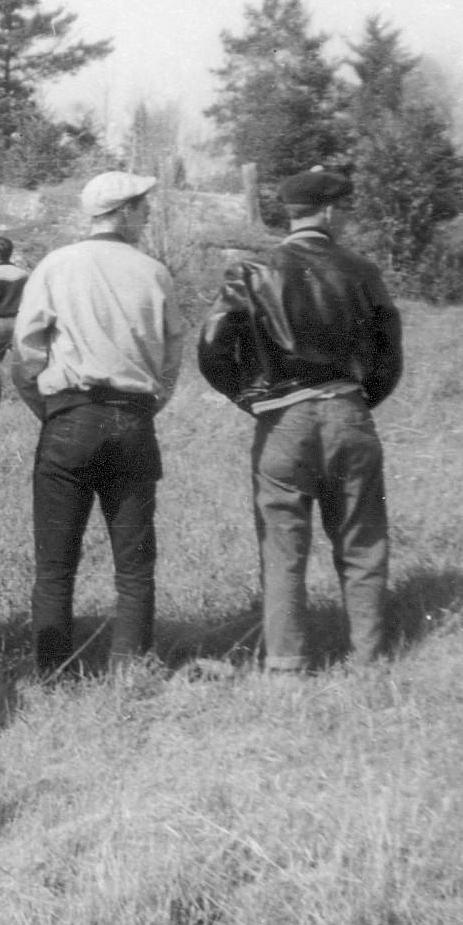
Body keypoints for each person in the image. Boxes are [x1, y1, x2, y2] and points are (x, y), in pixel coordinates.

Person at [198, 167, 403, 672]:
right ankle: (369, 658)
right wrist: (358, 401)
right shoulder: (363, 272)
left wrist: (251, 397)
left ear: (291, 213)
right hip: (348, 412)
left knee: (282, 545)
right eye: (344, 209)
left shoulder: (252, 270)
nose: (346, 217)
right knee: (362, 540)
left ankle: (287, 665)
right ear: (328, 212)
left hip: (282, 423)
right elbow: (389, 356)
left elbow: (212, 348)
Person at [11, 172, 186, 673]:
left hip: (69, 417)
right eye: (143, 208)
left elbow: (26, 352)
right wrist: (148, 404)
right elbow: (172, 354)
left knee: (54, 564)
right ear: (124, 212)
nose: (147, 216)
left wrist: (52, 408)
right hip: (133, 421)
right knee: (134, 565)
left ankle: (53, 673)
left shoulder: (56, 265)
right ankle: (130, 669)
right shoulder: (154, 273)